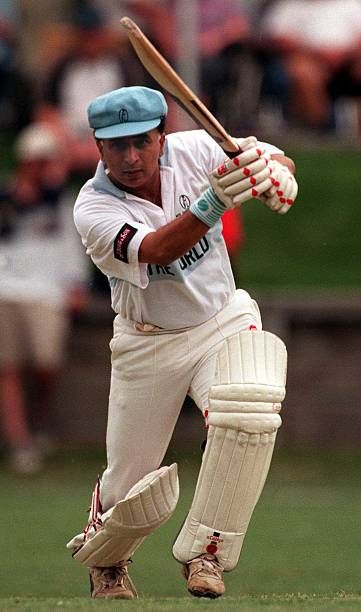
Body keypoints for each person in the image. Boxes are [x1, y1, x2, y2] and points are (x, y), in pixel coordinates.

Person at [66, 85, 298, 599]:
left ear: (161, 137)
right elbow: (155, 248)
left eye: (141, 142)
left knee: (250, 411)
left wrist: (270, 170)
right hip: (147, 341)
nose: (130, 157)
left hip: (220, 318)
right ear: (98, 147)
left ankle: (207, 554)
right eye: (116, 145)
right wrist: (216, 201)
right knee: (130, 483)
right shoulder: (93, 208)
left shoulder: (195, 148)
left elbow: (273, 156)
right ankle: (105, 557)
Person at [0, 123, 89, 474]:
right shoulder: (5, 197)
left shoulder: (61, 200)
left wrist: (75, 283)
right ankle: (20, 440)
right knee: (7, 368)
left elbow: (72, 243)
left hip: (47, 292)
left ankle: (37, 425)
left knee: (45, 363)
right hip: (6, 287)